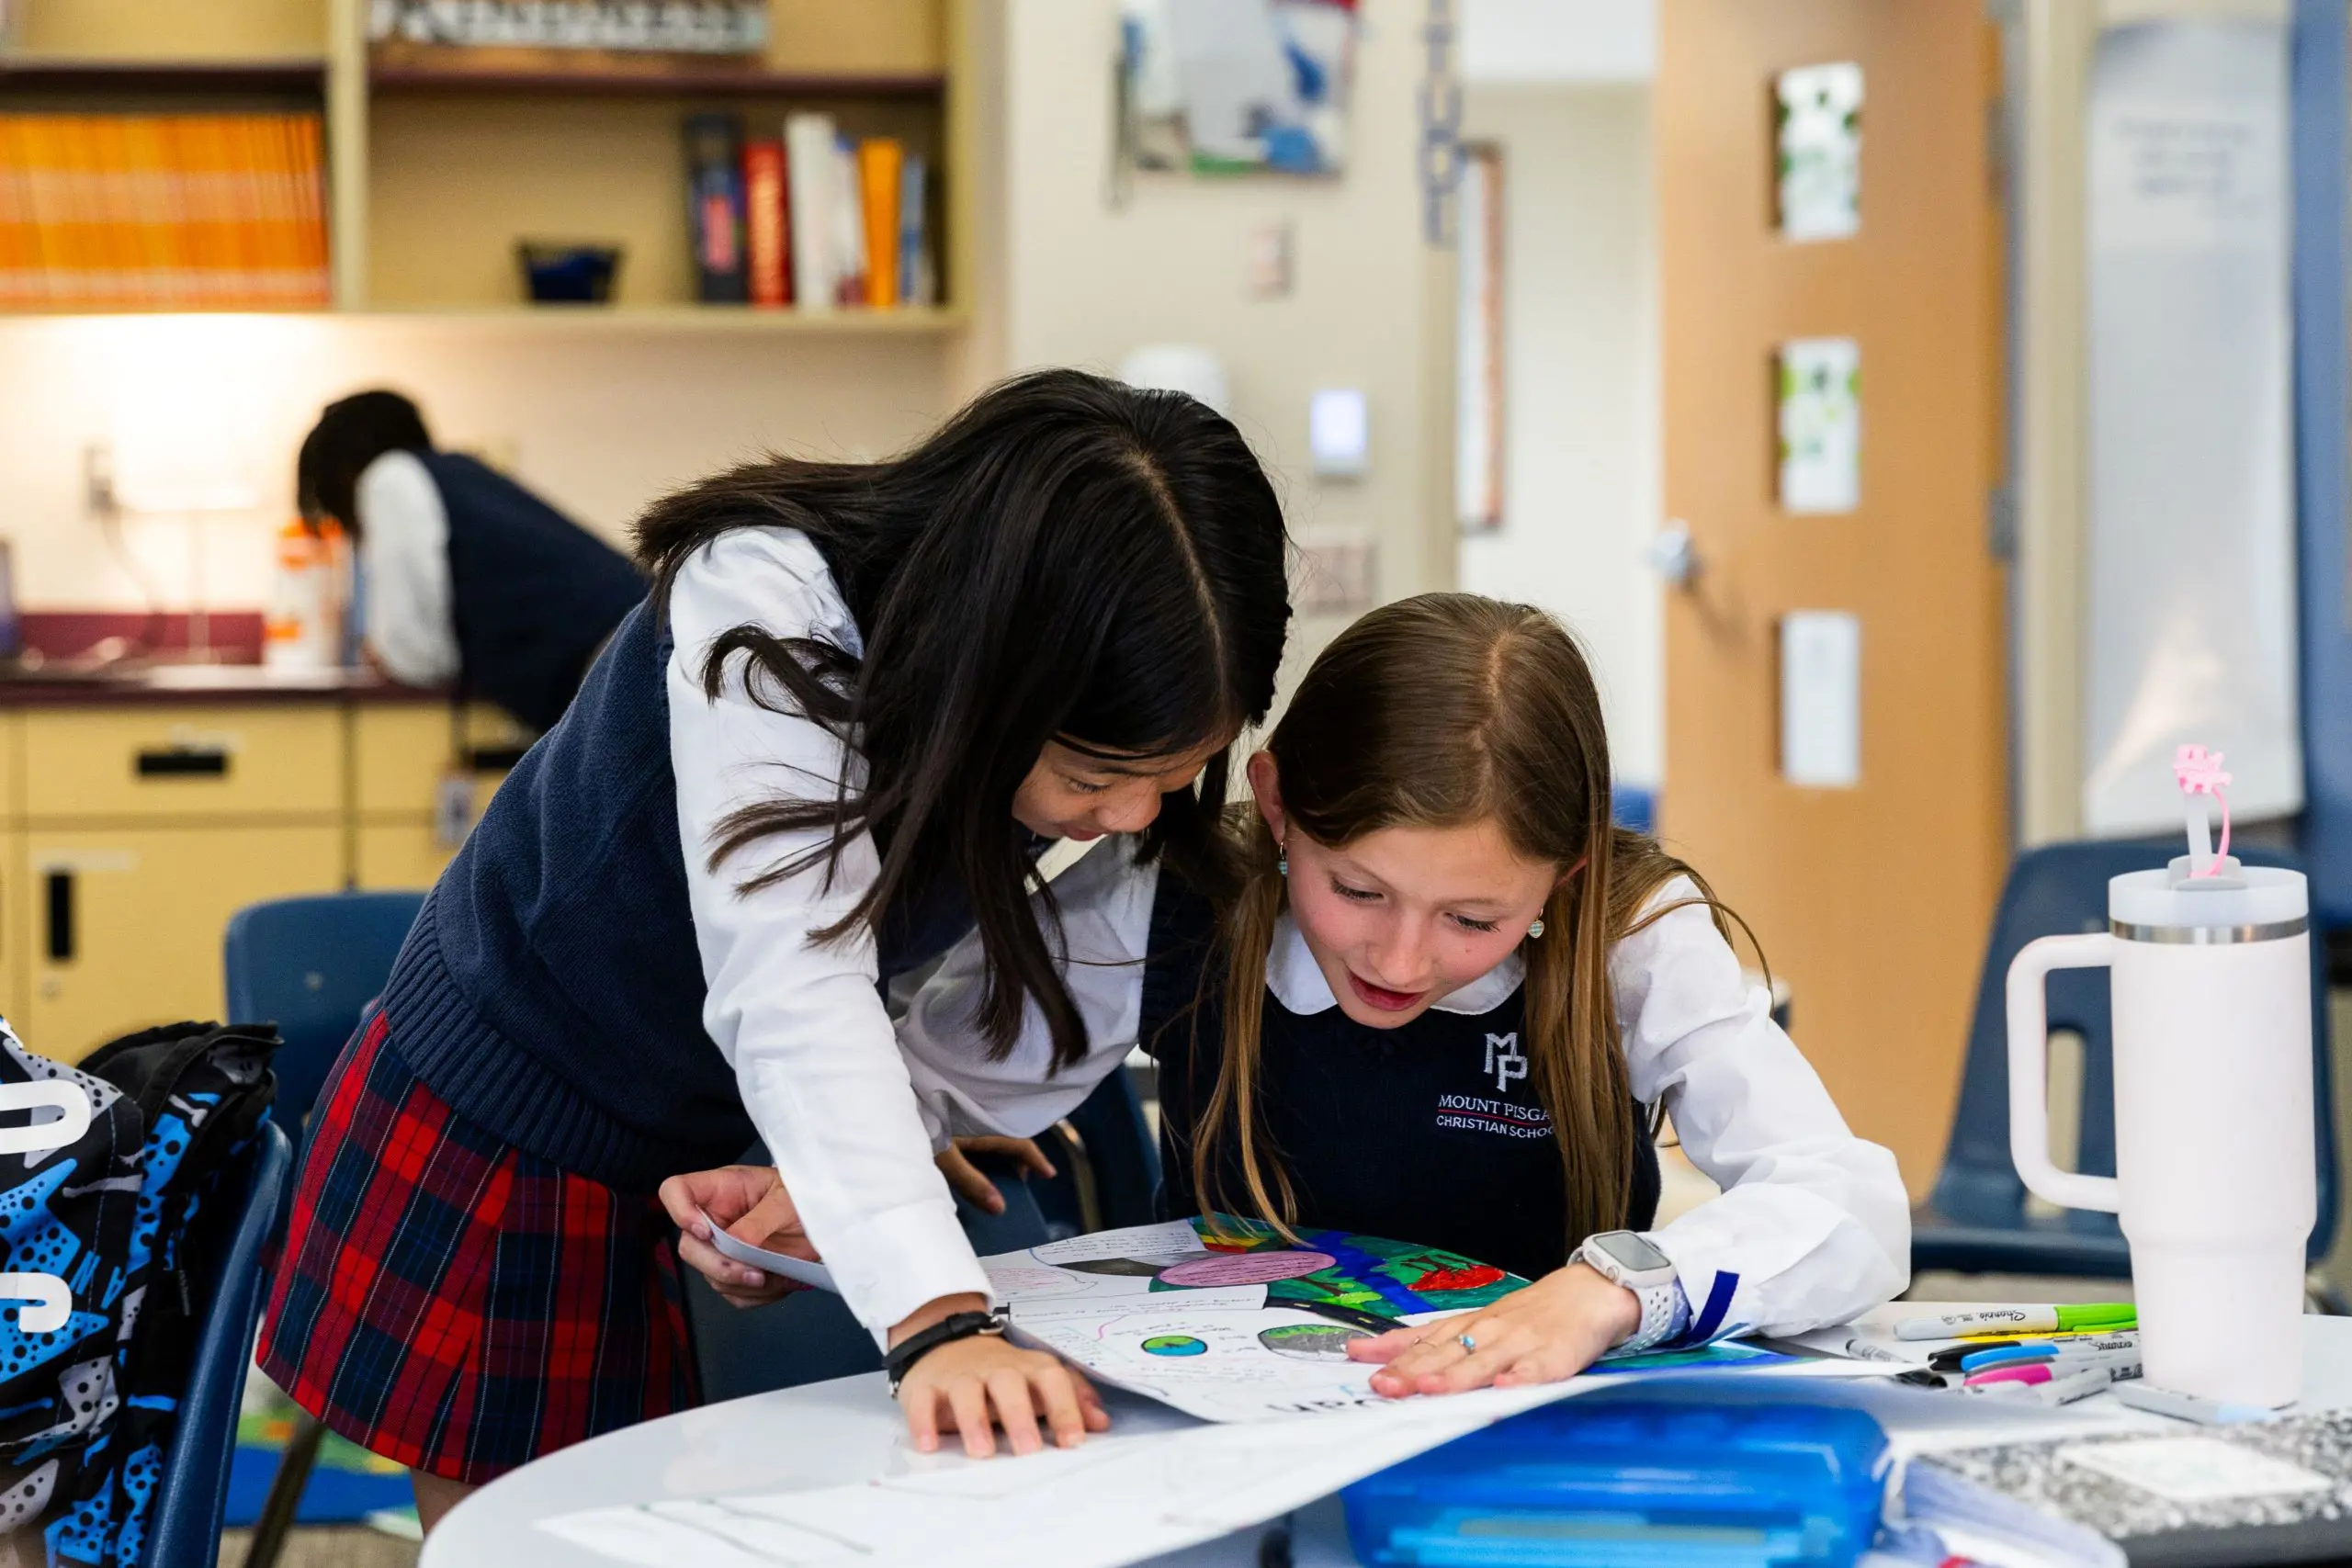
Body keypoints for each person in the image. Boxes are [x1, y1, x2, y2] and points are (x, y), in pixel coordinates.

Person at [259, 369, 1293, 1531]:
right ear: (988, 666)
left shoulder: (1029, 710)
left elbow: (1078, 940)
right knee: (528, 1539)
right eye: (1097, 779)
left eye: (1171, 777)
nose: (1134, 816)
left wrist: (898, 1130)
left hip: (677, 1128)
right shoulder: (767, 604)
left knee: (644, 1524)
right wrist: (937, 1315)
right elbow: (798, 977)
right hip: (508, 1120)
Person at [674, 593, 1907, 1420]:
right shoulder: (1177, 898)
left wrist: (1613, 1288)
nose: (1405, 953)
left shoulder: (1629, 933)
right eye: (1355, 886)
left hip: (1511, 1427)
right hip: (1205, 1431)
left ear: (1567, 868)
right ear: (1273, 805)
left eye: (1474, 919)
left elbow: (1850, 1202)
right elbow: (916, 1085)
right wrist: (808, 1199)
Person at [296, 389, 647, 732]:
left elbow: (418, 655)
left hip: (612, 659)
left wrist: (387, 654)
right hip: (641, 632)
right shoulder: (460, 474)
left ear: (342, 475)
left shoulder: (389, 479)